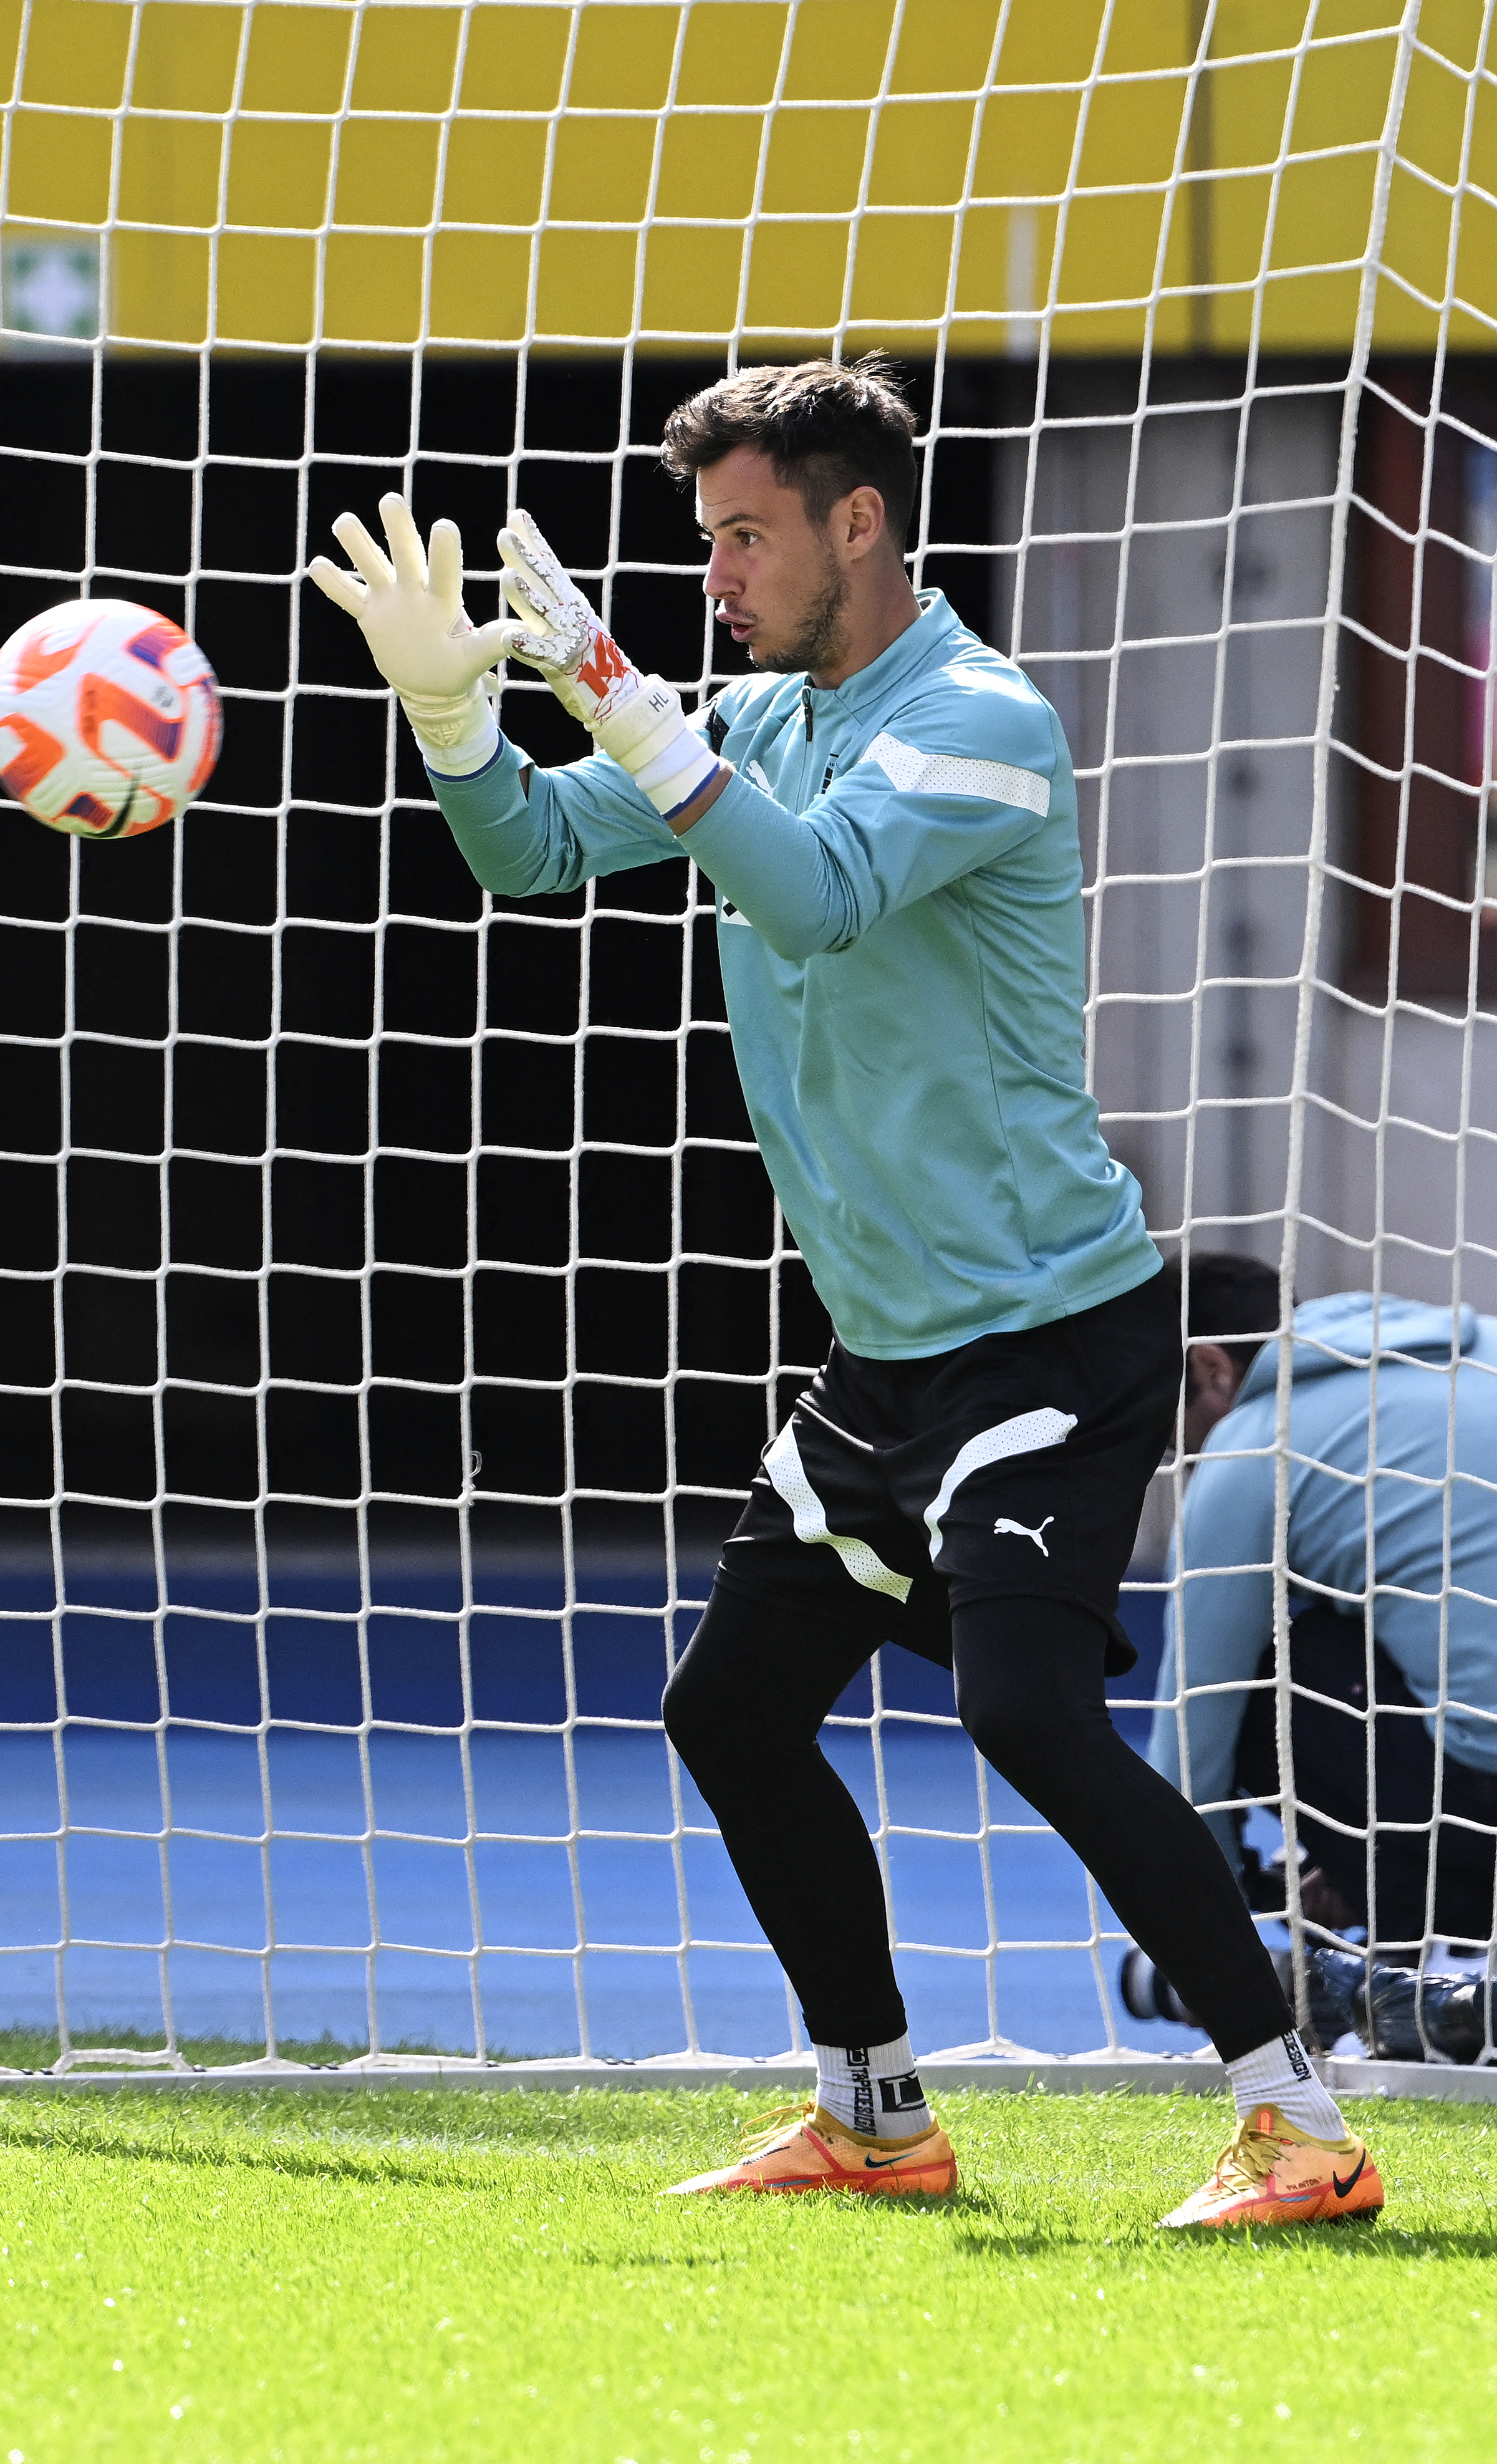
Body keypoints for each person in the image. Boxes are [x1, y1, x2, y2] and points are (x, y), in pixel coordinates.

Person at [307, 356, 1377, 2228]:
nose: (715, 575)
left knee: (1029, 1717)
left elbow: (805, 893)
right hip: (888, 1359)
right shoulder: (758, 717)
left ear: (858, 524)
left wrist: (612, 691)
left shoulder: (978, 720)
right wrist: (451, 719)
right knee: (730, 1711)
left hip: (1054, 1336)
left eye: (746, 538)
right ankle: (875, 2117)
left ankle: (1304, 2124)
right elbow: (538, 856)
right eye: (701, 542)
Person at [1146, 1254, 1497, 2054]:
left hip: (1478, 1821)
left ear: (1210, 1370)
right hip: (1457, 1781)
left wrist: (1209, 1940)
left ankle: (1424, 1967)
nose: (1169, 1451)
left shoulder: (1250, 1450)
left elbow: (1187, 1758)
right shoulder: (1474, 1351)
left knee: (1267, 1674)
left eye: (1159, 1418)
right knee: (1366, 1629)